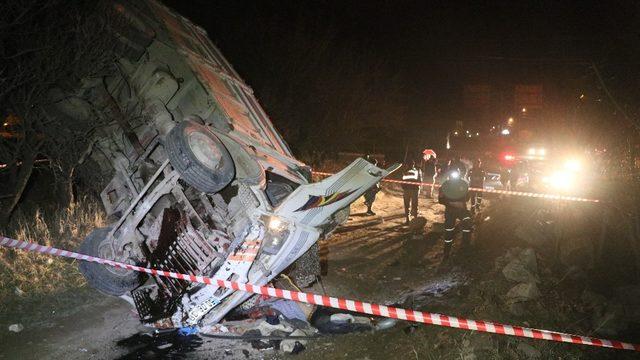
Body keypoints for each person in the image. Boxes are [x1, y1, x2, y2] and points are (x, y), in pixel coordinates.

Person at [438, 172, 472, 260]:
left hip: (461, 211)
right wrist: (452, 203)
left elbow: (467, 197)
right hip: (450, 211)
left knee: (467, 223)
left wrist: (459, 201)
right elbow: (441, 200)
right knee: (449, 230)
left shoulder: (464, 184)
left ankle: (465, 246)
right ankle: (446, 252)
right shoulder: (444, 186)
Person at [402, 160, 422, 224]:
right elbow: (420, 181)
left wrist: (404, 188)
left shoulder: (406, 171)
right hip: (411, 190)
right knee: (411, 205)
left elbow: (420, 181)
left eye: (411, 164)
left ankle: (411, 219)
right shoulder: (416, 171)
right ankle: (411, 219)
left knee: (410, 205)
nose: (411, 165)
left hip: (410, 190)